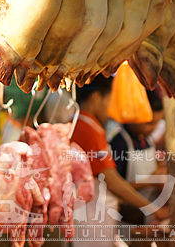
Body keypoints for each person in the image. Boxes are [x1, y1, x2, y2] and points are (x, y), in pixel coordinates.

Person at [69, 75, 168, 247]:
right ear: (96, 97)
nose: (111, 107)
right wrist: (151, 208)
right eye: (110, 100)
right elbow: (111, 180)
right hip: (91, 217)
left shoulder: (82, 124)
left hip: (94, 215)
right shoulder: (88, 129)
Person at [109, 89, 166, 224]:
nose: (154, 128)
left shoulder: (147, 140)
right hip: (127, 218)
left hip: (149, 213)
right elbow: (114, 187)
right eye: (149, 123)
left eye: (158, 122)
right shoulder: (119, 143)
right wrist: (150, 181)